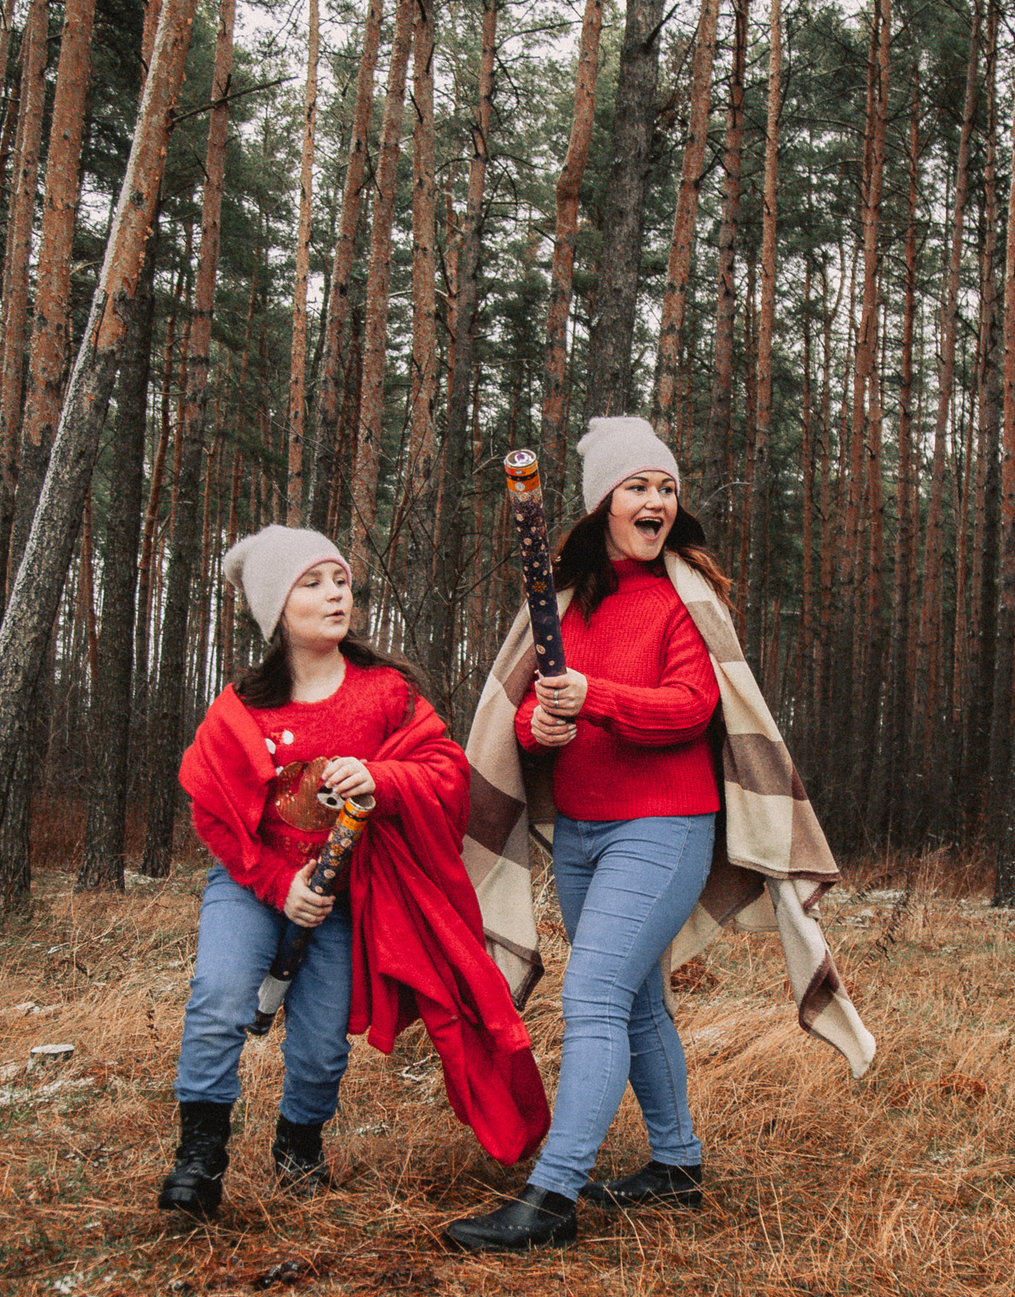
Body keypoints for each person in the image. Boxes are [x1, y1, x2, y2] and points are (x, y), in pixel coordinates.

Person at [445, 418, 876, 1253]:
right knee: (638, 1001)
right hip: (581, 833)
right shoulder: (563, 605)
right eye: (638, 487)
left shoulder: (685, 598)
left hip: (665, 826)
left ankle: (554, 1197)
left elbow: (693, 708)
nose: (656, 501)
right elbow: (530, 717)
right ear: (603, 503)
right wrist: (546, 726)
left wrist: (594, 695)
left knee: (595, 995)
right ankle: (676, 1165)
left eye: (667, 488)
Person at [162, 526, 549, 1221]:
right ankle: (200, 1158)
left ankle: (298, 1144)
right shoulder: (244, 708)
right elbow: (212, 815)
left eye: (339, 579)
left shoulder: (384, 694)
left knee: (319, 1044)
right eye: (312, 583)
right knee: (219, 999)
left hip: (348, 898)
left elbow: (446, 777)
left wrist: (379, 775)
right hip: (252, 885)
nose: (334, 593)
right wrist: (279, 888)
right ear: (278, 608)